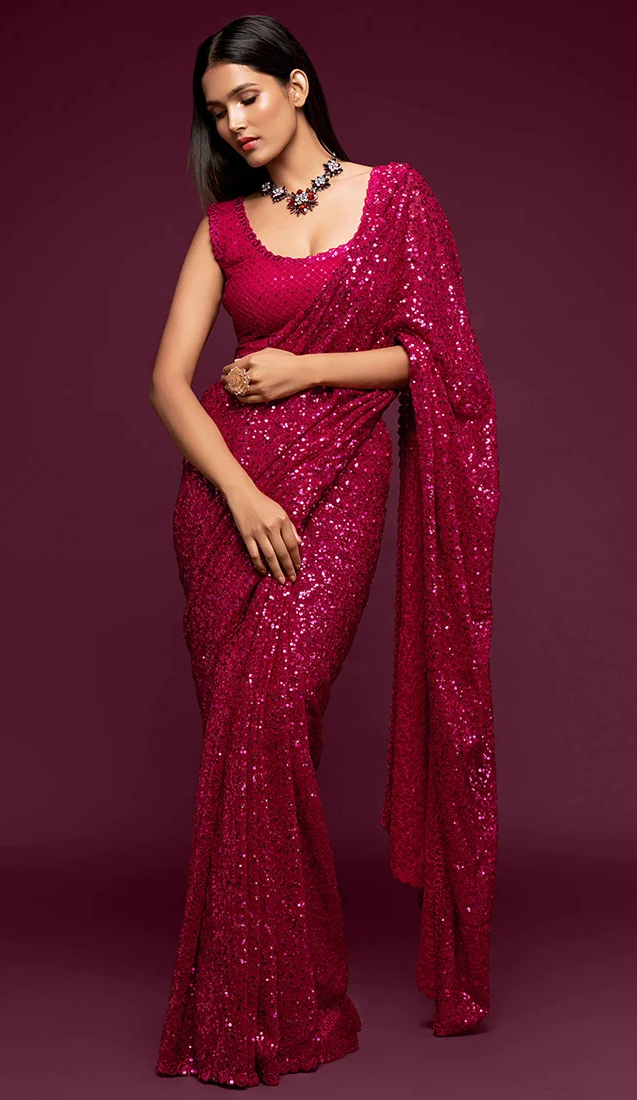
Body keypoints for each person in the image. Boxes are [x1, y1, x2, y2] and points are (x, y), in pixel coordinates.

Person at [150, 14, 501, 1089]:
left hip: (339, 487)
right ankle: (261, 995)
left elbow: (439, 358)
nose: (232, 122)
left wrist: (304, 371)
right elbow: (168, 382)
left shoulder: (396, 198)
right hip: (228, 500)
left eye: (247, 96)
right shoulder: (223, 228)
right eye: (216, 111)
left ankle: (276, 995)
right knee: (243, 737)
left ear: (297, 86)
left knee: (275, 715)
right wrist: (241, 491)